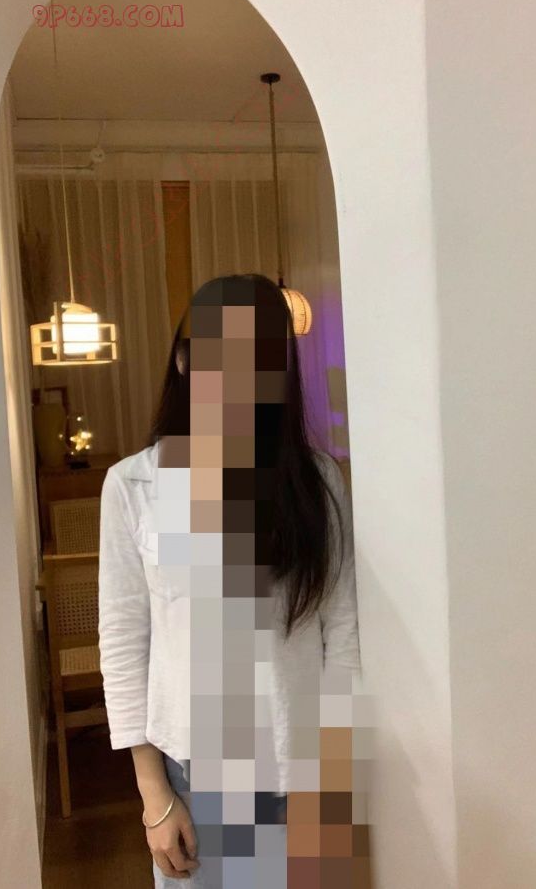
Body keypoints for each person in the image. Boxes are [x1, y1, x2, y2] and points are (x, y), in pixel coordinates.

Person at [98, 273, 363, 888]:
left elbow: (343, 632)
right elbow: (124, 642)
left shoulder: (316, 483)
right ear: (186, 361)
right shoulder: (134, 486)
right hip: (191, 776)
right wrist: (154, 797)